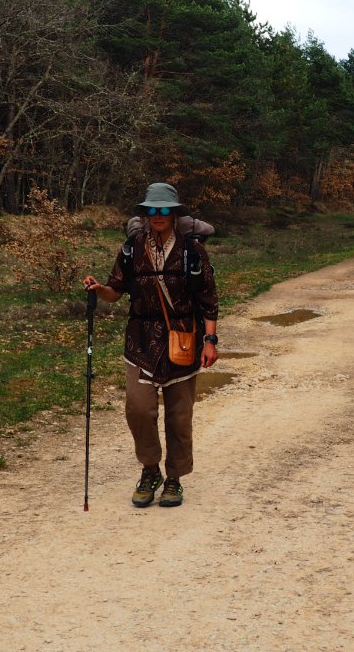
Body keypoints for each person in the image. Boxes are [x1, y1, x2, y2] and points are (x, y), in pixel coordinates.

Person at [82, 183, 219, 508]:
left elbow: (208, 298)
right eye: (152, 211)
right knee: (139, 410)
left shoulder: (192, 251)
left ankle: (174, 478)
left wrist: (210, 340)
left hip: (183, 339)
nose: (158, 216)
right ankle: (150, 469)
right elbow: (116, 291)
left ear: (173, 214)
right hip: (140, 340)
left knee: (179, 416)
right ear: (146, 214)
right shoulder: (131, 249)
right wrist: (99, 289)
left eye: (164, 211)